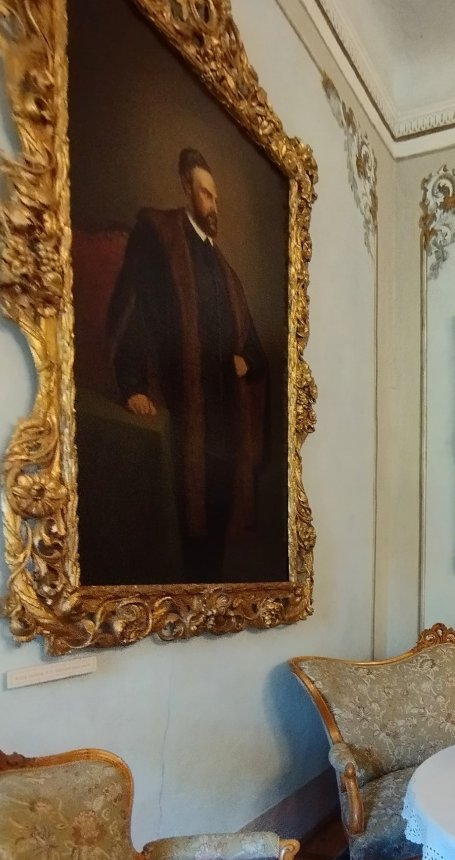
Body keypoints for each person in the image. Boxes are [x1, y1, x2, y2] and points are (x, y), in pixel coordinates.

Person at [108, 147, 268, 583]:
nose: (213, 206)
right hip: (181, 413)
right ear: (186, 188)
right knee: (180, 538)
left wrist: (244, 361)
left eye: (216, 197)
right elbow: (132, 308)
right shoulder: (158, 238)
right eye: (205, 194)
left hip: (224, 426)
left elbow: (255, 350)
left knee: (214, 539)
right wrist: (132, 384)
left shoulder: (224, 270)